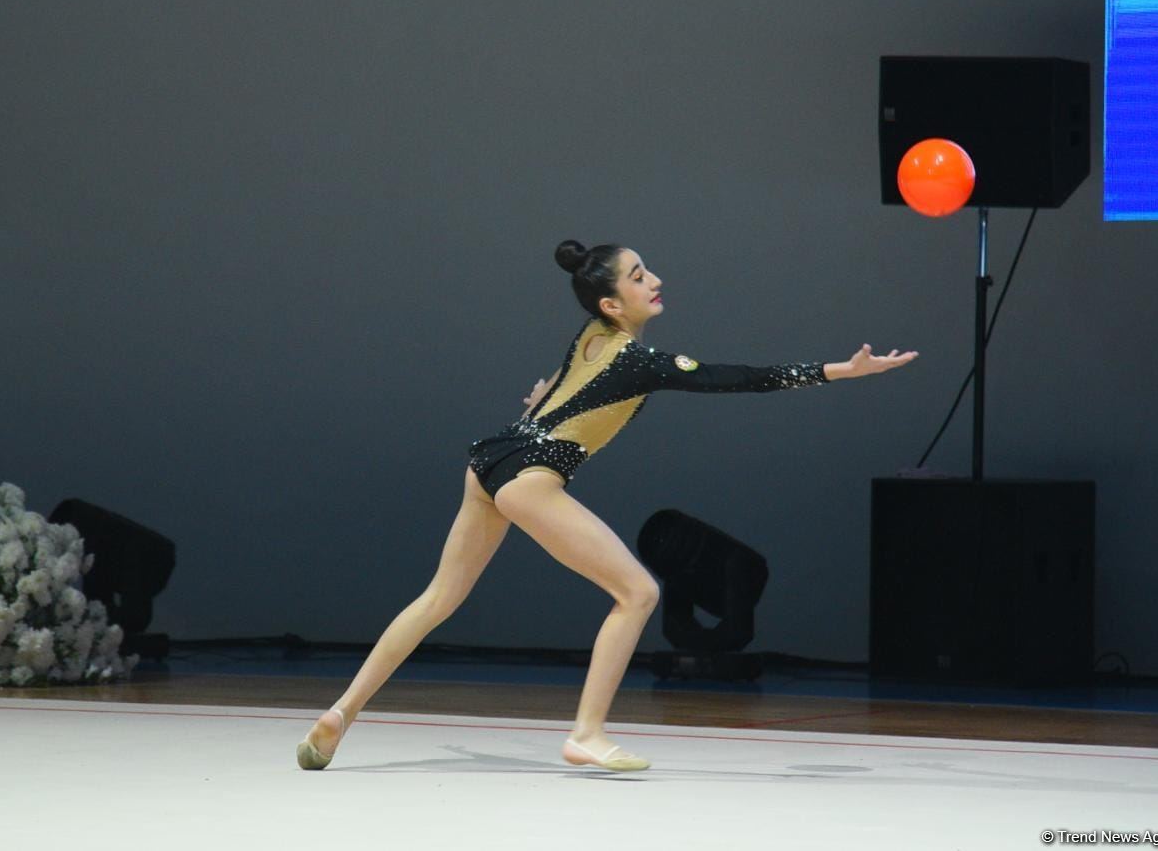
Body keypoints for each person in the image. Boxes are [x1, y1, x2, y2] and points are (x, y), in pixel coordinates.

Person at [297, 240, 918, 772]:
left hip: (490, 462)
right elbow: (733, 377)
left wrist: (543, 397)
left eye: (648, 271)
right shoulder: (641, 361)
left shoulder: (589, 337)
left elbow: (560, 388)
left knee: (438, 598)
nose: (656, 281)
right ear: (611, 304)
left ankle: (341, 712)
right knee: (638, 594)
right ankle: (585, 735)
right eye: (640, 277)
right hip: (531, 475)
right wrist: (841, 370)